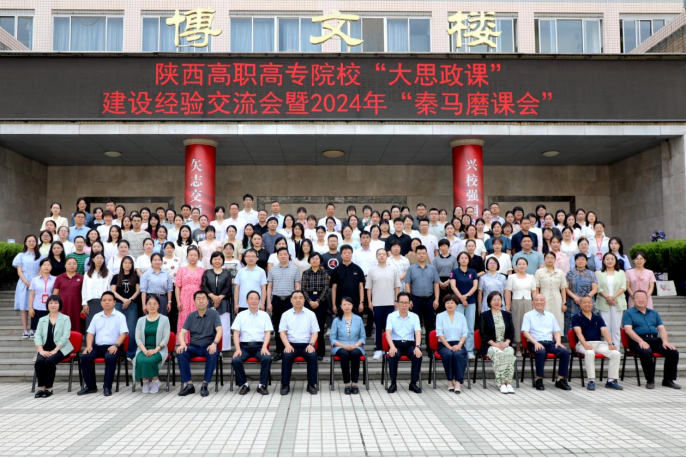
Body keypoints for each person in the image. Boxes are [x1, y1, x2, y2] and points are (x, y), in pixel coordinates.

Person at [622, 290, 680, 389]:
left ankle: (668, 380)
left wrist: (665, 341)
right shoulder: (628, 313)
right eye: (638, 298)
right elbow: (628, 330)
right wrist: (641, 341)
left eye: (643, 298)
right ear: (633, 299)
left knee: (673, 352)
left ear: (647, 299)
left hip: (654, 340)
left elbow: (661, 328)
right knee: (646, 352)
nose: (641, 300)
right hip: (637, 340)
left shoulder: (654, 313)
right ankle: (650, 380)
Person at [78, 292, 129, 397]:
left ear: (114, 302)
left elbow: (124, 333)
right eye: (104, 300)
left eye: (109, 300)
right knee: (85, 357)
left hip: (115, 346)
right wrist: (89, 345)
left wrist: (116, 345)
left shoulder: (120, 316)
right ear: (101, 303)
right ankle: (91, 386)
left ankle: (107, 387)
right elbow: (90, 333)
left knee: (109, 358)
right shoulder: (96, 316)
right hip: (98, 347)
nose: (107, 302)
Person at [571, 296, 623, 391]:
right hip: (582, 344)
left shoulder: (598, 317)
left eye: (589, 302)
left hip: (598, 343)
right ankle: (591, 380)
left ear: (592, 304)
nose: (587, 304)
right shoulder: (576, 317)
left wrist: (611, 344)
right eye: (584, 302)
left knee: (616, 354)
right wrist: (585, 345)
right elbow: (578, 333)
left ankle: (611, 380)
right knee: (590, 353)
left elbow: (605, 331)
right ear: (580, 304)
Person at [521, 294, 572, 391]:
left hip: (550, 343)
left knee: (565, 352)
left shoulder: (550, 315)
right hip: (535, 342)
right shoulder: (528, 315)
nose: (539, 302)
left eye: (541, 300)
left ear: (545, 302)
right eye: (536, 300)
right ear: (533, 302)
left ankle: (560, 379)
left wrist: (558, 342)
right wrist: (535, 342)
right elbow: (525, 332)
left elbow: (556, 331)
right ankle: (539, 379)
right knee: (541, 352)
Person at [177, 291, 223, 397]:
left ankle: (205, 385)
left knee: (213, 353)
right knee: (181, 353)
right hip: (194, 347)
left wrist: (214, 343)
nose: (201, 301)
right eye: (198, 298)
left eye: (203, 298)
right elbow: (182, 333)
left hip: (209, 346)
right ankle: (189, 385)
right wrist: (183, 343)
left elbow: (219, 330)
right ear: (194, 302)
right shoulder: (191, 316)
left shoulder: (214, 314)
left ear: (207, 301)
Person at [231, 290, 273, 395]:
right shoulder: (241, 315)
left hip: (260, 347)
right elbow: (236, 333)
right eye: (251, 299)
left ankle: (262, 385)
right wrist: (237, 349)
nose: (254, 301)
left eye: (256, 299)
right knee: (236, 360)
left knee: (267, 358)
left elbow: (267, 333)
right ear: (247, 301)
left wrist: (264, 347)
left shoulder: (264, 315)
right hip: (244, 347)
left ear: (259, 301)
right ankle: (244, 384)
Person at [279, 291, 320, 396]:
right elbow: (282, 332)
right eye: (295, 298)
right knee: (286, 356)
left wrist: (311, 344)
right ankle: (285, 385)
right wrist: (287, 345)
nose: (298, 300)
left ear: (304, 300)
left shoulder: (311, 314)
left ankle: (311, 385)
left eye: (301, 297)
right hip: (291, 345)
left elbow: (315, 332)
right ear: (291, 300)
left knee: (312, 355)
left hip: (306, 345)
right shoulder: (285, 315)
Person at [33, 295, 74, 398]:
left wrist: (56, 350)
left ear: (60, 305)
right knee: (39, 361)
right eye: (51, 303)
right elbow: (37, 335)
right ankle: (42, 388)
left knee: (49, 361)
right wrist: (40, 350)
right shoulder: (42, 319)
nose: (53, 305)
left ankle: (49, 388)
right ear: (47, 305)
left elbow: (66, 336)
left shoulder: (65, 318)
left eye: (56, 303)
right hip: (45, 349)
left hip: (61, 349)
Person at [366, 249, 402, 360]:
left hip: (390, 303)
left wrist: (396, 300)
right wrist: (370, 302)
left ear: (387, 256)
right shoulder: (372, 270)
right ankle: (378, 349)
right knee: (378, 327)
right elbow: (369, 288)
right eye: (379, 254)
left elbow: (397, 286)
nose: (382, 256)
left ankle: (389, 348)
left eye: (384, 254)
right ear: (376, 256)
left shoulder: (393, 270)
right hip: (377, 303)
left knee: (389, 327)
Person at [267, 247, 302, 361]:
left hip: (289, 301)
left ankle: (290, 349)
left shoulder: (294, 269)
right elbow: (269, 287)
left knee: (291, 325)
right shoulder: (272, 270)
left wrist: (297, 300)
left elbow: (297, 285)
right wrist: (269, 302)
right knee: (278, 326)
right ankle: (279, 350)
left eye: (285, 254)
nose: (283, 256)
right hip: (276, 300)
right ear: (277, 256)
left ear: (288, 256)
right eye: (280, 254)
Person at [404, 245, 440, 354]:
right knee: (416, 324)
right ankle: (416, 347)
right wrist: (409, 300)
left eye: (423, 253)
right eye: (419, 253)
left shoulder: (432, 268)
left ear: (427, 254)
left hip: (429, 299)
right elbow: (407, 284)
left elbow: (436, 284)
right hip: (415, 299)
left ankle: (430, 348)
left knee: (430, 324)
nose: (421, 255)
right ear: (415, 255)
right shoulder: (411, 268)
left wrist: (436, 299)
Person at [386, 292, 423, 394]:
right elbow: (388, 333)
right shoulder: (391, 316)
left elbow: (418, 332)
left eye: (406, 302)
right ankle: (393, 383)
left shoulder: (414, 316)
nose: (404, 305)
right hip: (396, 344)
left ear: (410, 303)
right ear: (397, 303)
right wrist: (391, 346)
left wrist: (417, 346)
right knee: (392, 355)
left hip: (409, 344)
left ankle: (413, 383)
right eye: (401, 302)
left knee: (418, 355)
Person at [132, 296, 171, 394]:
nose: (152, 306)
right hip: (143, 349)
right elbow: (138, 338)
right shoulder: (141, 320)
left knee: (151, 360)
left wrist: (155, 350)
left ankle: (155, 381)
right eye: (149, 303)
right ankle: (145, 382)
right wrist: (145, 351)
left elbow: (166, 338)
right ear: (146, 305)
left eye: (154, 304)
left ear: (159, 305)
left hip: (159, 349)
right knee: (141, 359)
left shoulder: (164, 319)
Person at [480, 292, 516, 394]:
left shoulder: (507, 315)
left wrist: (507, 342)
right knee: (499, 354)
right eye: (494, 300)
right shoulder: (484, 315)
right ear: (489, 302)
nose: (497, 302)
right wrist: (495, 344)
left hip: (505, 344)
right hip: (490, 346)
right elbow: (483, 333)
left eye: (499, 300)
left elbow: (512, 332)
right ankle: (502, 383)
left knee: (509, 352)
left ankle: (508, 383)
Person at [331, 297, 366, 394]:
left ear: (352, 306)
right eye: (344, 304)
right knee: (344, 354)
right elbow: (333, 338)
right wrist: (344, 346)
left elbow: (362, 337)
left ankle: (354, 383)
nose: (347, 306)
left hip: (356, 345)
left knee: (355, 353)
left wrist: (355, 345)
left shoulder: (358, 319)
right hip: (340, 346)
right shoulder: (336, 320)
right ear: (341, 306)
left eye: (349, 304)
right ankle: (346, 384)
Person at [331, 245, 367, 340]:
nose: (347, 255)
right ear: (341, 255)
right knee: (340, 326)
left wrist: (361, 302)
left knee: (357, 326)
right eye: (344, 253)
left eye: (349, 253)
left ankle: (358, 345)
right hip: (340, 303)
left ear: (352, 254)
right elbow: (334, 289)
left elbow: (361, 287)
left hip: (355, 303)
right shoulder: (336, 270)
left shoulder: (358, 269)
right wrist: (334, 305)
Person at [435, 294, 469, 393]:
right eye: (448, 303)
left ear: (456, 305)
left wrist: (459, 345)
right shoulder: (440, 316)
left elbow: (465, 333)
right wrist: (449, 347)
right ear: (444, 304)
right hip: (444, 344)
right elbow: (439, 333)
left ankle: (458, 382)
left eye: (452, 303)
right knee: (448, 354)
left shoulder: (461, 316)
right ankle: (450, 380)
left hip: (459, 343)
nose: (450, 305)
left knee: (458, 354)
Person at [448, 251, 479, 359]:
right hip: (458, 302)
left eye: (466, 258)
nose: (464, 259)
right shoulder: (454, 272)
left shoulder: (473, 271)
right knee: (458, 326)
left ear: (469, 260)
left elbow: (475, 286)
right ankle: (459, 348)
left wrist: (466, 296)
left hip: (471, 302)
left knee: (470, 327)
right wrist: (461, 297)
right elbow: (453, 286)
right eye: (462, 258)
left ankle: (470, 350)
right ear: (458, 260)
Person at [201, 251, 233, 352]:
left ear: (223, 260)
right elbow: (204, 286)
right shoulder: (207, 272)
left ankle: (224, 347)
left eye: (219, 259)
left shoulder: (227, 273)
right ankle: (210, 347)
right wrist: (213, 297)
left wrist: (219, 298)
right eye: (215, 259)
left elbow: (228, 287)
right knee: (210, 325)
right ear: (211, 260)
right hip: (209, 301)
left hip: (224, 302)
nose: (217, 261)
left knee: (224, 325)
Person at [111, 255, 141, 361]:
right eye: (125, 263)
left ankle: (131, 353)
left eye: (129, 263)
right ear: (122, 264)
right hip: (118, 305)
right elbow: (113, 291)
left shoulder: (135, 277)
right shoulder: (116, 277)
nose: (127, 265)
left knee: (131, 330)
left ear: (132, 265)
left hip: (132, 305)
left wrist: (129, 300)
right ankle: (118, 352)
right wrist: (124, 300)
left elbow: (138, 291)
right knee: (117, 330)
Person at [505, 257, 536, 356]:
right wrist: (508, 305)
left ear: (527, 266)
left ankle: (527, 347)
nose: (521, 266)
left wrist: (535, 304)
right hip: (516, 301)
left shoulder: (531, 277)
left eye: (523, 264)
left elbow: (534, 292)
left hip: (528, 301)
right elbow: (508, 292)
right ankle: (518, 347)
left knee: (528, 324)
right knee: (517, 323)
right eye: (519, 264)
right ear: (516, 266)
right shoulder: (511, 277)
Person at [301, 253, 330, 360]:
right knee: (308, 327)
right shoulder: (305, 273)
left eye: (317, 258)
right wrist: (309, 301)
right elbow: (303, 288)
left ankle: (320, 352)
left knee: (320, 327)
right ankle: (308, 350)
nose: (314, 260)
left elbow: (326, 289)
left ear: (320, 261)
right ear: (309, 260)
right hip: (308, 300)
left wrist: (317, 301)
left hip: (321, 301)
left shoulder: (324, 273)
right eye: (312, 258)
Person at [13, 235, 43, 338]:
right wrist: (26, 282)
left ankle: (33, 329)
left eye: (33, 241)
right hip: (23, 283)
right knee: (24, 307)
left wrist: (33, 282)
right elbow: (19, 271)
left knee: (34, 306)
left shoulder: (41, 256)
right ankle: (25, 330)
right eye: (29, 241)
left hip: (37, 282)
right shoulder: (21, 255)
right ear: (25, 243)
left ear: (36, 243)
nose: (31, 243)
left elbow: (42, 269)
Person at [595, 253, 627, 348]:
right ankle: (607, 347)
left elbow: (623, 287)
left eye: (612, 259)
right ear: (603, 261)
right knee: (606, 326)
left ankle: (616, 348)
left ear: (615, 261)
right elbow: (598, 288)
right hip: (603, 301)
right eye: (607, 259)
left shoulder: (621, 272)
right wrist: (607, 297)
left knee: (616, 326)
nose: (610, 261)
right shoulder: (599, 273)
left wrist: (613, 297)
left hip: (617, 301)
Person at [174, 247, 205, 344]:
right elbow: (177, 286)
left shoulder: (202, 270)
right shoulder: (181, 270)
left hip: (198, 297)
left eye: (195, 255)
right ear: (187, 256)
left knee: (197, 317)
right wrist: (178, 301)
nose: (193, 257)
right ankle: (184, 341)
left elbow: (204, 286)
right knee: (184, 318)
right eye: (191, 255)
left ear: (198, 257)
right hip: (184, 297)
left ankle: (196, 340)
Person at [565, 253, 599, 335]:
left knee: (588, 322)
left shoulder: (591, 273)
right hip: (573, 302)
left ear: (586, 261)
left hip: (588, 302)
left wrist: (586, 298)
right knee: (573, 323)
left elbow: (595, 289)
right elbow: (566, 288)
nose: (581, 261)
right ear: (575, 261)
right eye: (578, 259)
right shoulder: (570, 273)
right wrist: (575, 297)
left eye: (583, 259)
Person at [535, 252, 568, 332]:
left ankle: (557, 338)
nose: (550, 260)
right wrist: (537, 301)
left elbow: (563, 289)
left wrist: (564, 303)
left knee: (558, 318)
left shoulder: (560, 272)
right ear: (544, 259)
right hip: (543, 297)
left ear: (555, 260)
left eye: (552, 258)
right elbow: (536, 288)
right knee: (543, 317)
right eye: (548, 258)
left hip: (557, 298)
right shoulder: (539, 272)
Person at [81, 252, 112, 332]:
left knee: (103, 325)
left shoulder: (108, 273)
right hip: (91, 303)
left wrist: (109, 302)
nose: (99, 260)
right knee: (91, 325)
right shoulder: (87, 274)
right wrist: (84, 304)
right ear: (93, 259)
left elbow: (110, 289)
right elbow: (84, 289)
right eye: (97, 258)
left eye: (101, 258)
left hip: (104, 302)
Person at [52, 257, 83, 332]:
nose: (72, 265)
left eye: (74, 264)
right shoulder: (59, 277)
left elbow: (84, 293)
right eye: (69, 264)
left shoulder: (81, 278)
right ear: (65, 265)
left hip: (77, 306)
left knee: (76, 325)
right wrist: (54, 305)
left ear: (77, 265)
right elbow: (55, 294)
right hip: (63, 306)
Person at [234, 249, 268, 316]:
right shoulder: (240, 271)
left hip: (257, 304)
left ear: (257, 258)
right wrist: (236, 304)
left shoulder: (261, 271)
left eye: (253, 256)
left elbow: (263, 288)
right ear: (244, 258)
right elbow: (237, 288)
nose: (250, 258)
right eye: (248, 256)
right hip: (242, 304)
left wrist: (262, 304)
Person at [28, 258, 56, 335]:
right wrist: (30, 308)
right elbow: (31, 295)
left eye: (48, 265)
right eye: (44, 265)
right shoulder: (34, 280)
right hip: (38, 307)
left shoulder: (55, 279)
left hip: (51, 307)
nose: (46, 267)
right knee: (38, 330)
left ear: (51, 267)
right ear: (40, 267)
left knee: (50, 330)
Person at [140, 253, 172, 317]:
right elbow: (143, 291)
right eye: (155, 260)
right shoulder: (146, 274)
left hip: (162, 299)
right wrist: (144, 304)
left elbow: (169, 290)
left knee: (162, 319)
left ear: (162, 261)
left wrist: (169, 302)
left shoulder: (166, 274)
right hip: (150, 299)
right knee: (150, 319)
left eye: (159, 260)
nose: (157, 262)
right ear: (151, 261)